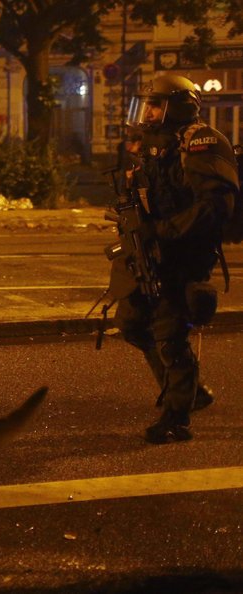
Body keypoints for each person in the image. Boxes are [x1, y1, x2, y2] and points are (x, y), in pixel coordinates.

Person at [115, 73, 236, 444]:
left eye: (156, 104)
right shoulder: (157, 144)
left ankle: (177, 415)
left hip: (185, 253)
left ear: (177, 106)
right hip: (152, 251)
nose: (148, 112)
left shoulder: (200, 143)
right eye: (148, 104)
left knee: (169, 334)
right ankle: (191, 390)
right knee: (133, 323)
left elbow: (215, 207)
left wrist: (163, 231)